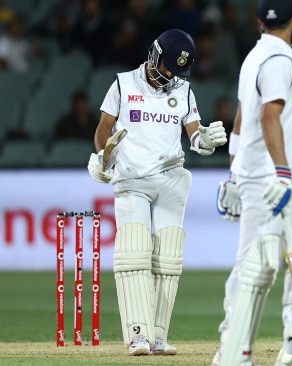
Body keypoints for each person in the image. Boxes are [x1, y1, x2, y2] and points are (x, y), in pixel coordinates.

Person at [211, 1, 292, 365]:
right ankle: (243, 353)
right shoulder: (279, 61)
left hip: (257, 175)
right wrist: (282, 173)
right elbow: (269, 118)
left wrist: (235, 174)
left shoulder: (255, 56)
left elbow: (240, 119)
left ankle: (282, 351)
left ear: (258, 21)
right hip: (277, 177)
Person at [87, 28, 227, 356]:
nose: (168, 75)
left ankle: (159, 336)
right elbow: (104, 129)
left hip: (170, 177)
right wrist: (102, 155)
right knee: (134, 253)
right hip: (132, 178)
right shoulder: (123, 84)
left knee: (168, 257)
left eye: (175, 72)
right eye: (165, 67)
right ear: (154, 54)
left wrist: (203, 141)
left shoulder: (184, 90)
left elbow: (193, 134)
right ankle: (138, 335)